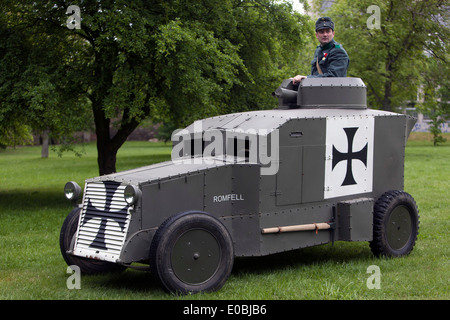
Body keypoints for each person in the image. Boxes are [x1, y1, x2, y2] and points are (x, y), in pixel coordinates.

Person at [292, 17, 349, 85]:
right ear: (317, 35)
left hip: (333, 92)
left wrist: (306, 78)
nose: (325, 35)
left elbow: (333, 78)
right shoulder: (319, 50)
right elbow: (316, 75)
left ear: (333, 34)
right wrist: (297, 80)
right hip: (319, 90)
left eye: (328, 31)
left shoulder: (338, 51)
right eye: (321, 32)